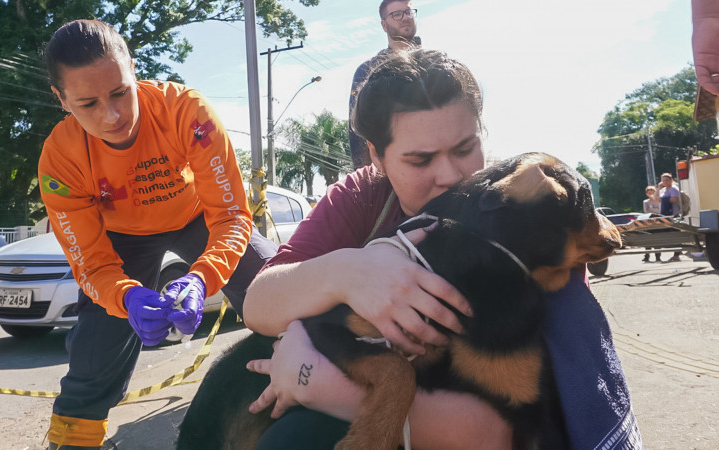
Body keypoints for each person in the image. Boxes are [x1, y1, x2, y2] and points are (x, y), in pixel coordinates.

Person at [242, 49, 642, 449]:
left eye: (465, 149)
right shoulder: (364, 195)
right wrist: (349, 271)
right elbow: (258, 304)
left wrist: (326, 386)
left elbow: (498, 431)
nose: (450, 176)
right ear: (376, 157)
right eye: (420, 160)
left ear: (481, 132)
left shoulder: (527, 217)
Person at [38, 20, 277, 449]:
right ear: (60, 99)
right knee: (94, 354)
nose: (112, 116)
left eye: (119, 92)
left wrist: (202, 277)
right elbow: (92, 263)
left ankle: (312, 399)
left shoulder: (186, 111)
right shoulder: (60, 160)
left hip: (199, 217)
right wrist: (126, 295)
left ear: (133, 68)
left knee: (282, 287)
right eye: (87, 103)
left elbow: (231, 217)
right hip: (120, 240)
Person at [348, 0, 421, 169]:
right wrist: (367, 177)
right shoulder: (368, 70)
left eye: (409, 12)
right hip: (389, 172)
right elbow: (357, 130)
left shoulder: (434, 64)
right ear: (384, 25)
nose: (405, 18)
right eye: (396, 14)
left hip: (435, 167)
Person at [658, 173, 683, 262]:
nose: (665, 182)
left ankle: (677, 254)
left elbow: (675, 199)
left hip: (674, 214)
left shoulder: (673, 188)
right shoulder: (663, 190)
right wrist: (658, 188)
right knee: (667, 233)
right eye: (663, 180)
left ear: (671, 180)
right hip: (665, 214)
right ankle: (676, 252)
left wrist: (664, 199)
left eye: (667, 180)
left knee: (676, 234)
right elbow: (657, 199)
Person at [642, 185, 663, 263]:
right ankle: (646, 256)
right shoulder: (645, 202)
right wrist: (654, 211)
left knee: (657, 240)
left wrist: (653, 211)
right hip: (649, 222)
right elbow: (646, 211)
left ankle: (658, 257)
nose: (651, 194)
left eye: (652, 193)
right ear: (646, 194)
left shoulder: (658, 201)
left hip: (657, 222)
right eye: (649, 193)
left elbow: (660, 211)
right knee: (648, 240)